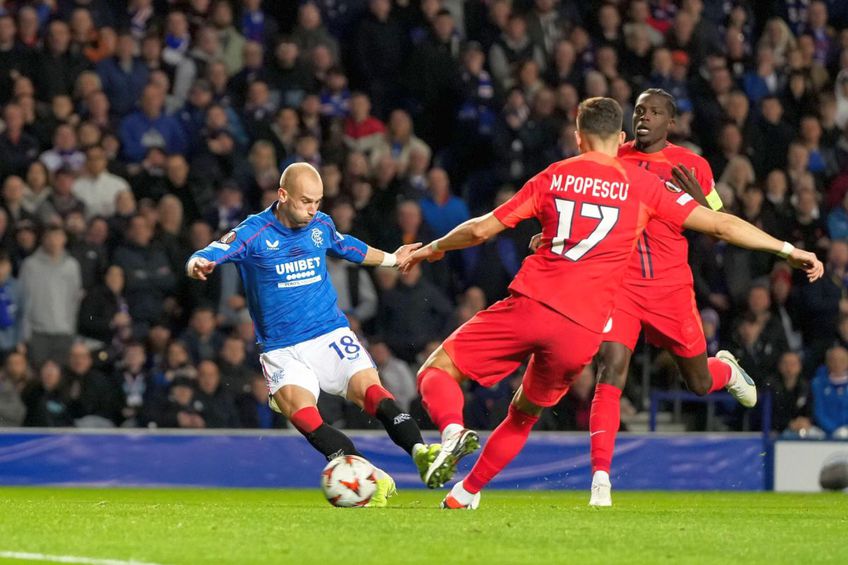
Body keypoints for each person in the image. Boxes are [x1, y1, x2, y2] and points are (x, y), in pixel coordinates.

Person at [399, 97, 823, 509]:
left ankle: (453, 432)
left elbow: (479, 231)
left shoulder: (554, 175)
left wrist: (433, 248)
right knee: (527, 411)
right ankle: (466, 493)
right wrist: (788, 249)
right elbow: (721, 224)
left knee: (438, 370)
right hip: (583, 329)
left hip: (538, 303)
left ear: (578, 137)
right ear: (619, 134)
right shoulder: (641, 184)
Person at [186, 162, 444, 507]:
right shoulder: (254, 232)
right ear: (282, 195)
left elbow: (346, 246)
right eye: (306, 201)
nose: (313, 210)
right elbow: (213, 251)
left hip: (328, 333)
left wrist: (392, 260)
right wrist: (198, 264)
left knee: (372, 394)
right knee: (304, 414)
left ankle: (422, 453)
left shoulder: (320, 225)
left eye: (318, 202)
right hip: (282, 348)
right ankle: (367, 476)